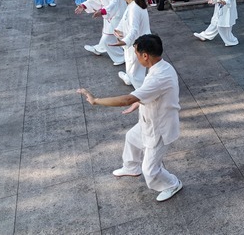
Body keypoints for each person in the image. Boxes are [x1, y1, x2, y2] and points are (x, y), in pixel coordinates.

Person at [77, 34, 183, 202]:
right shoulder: (162, 67)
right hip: (149, 120)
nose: (135, 56)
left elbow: (126, 99)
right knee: (132, 138)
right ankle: (131, 167)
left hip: (160, 129)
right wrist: (139, 101)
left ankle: (172, 184)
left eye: (136, 52)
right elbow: (152, 94)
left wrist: (96, 100)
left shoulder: (158, 77)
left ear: (145, 55)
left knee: (150, 170)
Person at [75, 0, 125, 65]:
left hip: (117, 15)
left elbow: (114, 2)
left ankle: (120, 58)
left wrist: (103, 11)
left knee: (110, 37)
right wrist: (84, 5)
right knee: (108, 35)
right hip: (110, 15)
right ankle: (99, 49)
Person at [111, 0, 151, 88]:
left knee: (134, 72)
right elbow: (129, 23)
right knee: (136, 69)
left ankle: (142, 94)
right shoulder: (135, 4)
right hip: (141, 41)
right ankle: (129, 79)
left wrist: (125, 41)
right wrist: (121, 31)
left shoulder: (134, 8)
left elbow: (134, 29)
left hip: (136, 43)